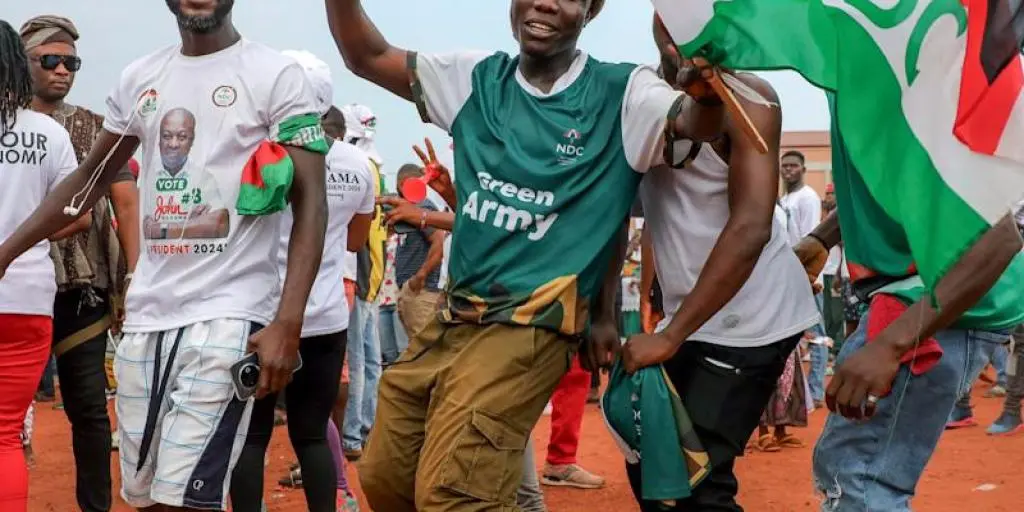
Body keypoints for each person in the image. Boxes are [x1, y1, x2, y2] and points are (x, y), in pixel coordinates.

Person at [325, 0, 727, 508]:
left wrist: (704, 93)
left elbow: (695, 124)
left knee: (454, 494)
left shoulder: (623, 93)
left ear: (590, 11)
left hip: (530, 326)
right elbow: (366, 55)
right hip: (453, 320)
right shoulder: (476, 79)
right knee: (388, 475)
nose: (545, 2)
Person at [0, 1, 330, 509]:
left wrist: (288, 321)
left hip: (229, 314)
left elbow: (312, 201)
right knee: (147, 496)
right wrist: (5, 253)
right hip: (148, 320)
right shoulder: (141, 78)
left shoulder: (276, 75)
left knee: (186, 499)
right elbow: (88, 180)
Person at [619, 17, 820, 510]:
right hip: (687, 316)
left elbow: (751, 227)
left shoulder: (752, 98)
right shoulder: (640, 98)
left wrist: (670, 334)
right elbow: (628, 214)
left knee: (696, 481)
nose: (683, 24)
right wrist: (614, 313)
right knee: (650, 464)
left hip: (754, 319)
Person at [798, 106, 1024, 510]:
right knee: (853, 472)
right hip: (921, 297)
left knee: (860, 480)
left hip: (935, 301)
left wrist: (892, 343)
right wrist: (822, 237)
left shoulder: (913, 76)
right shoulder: (871, 85)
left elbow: (1003, 232)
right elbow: (892, 176)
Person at [230, 49, 373, 511]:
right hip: (326, 314)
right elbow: (355, 241)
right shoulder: (357, 163)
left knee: (251, 436)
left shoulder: (257, 154)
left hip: (260, 316)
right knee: (311, 435)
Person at [19, 16, 140, 511]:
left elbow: (126, 202)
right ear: (22, 61)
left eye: (71, 63)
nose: (62, 70)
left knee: (88, 407)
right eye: (50, 60)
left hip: (82, 287)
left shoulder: (95, 127)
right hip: (17, 286)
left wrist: (133, 276)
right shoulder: (7, 125)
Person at [0, 19, 84, 511]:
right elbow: (78, 214)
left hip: (26, 300)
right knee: (5, 434)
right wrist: (23, 242)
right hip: (27, 299)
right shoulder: (48, 133)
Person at [338, 103, 387, 462]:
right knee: (370, 362)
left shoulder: (356, 165)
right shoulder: (375, 166)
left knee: (357, 361)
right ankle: (367, 429)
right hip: (374, 274)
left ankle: (351, 435)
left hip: (360, 273)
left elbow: (359, 233)